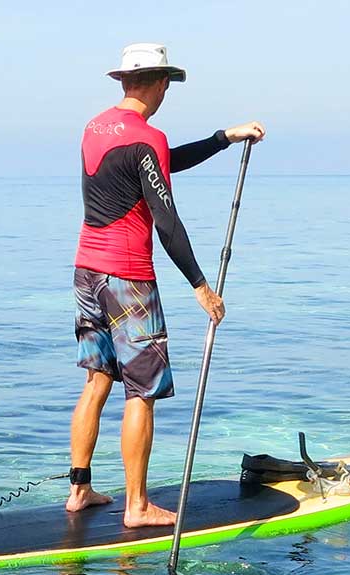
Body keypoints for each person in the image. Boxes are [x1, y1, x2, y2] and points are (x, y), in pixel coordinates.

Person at [68, 42, 264, 526]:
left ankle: (80, 490)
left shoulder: (96, 128)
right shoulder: (146, 137)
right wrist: (201, 285)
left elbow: (156, 164)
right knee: (142, 391)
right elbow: (167, 220)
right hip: (128, 279)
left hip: (86, 272)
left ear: (123, 83)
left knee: (97, 382)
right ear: (158, 84)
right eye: (167, 85)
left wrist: (223, 137)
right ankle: (136, 506)